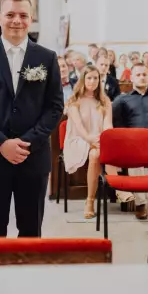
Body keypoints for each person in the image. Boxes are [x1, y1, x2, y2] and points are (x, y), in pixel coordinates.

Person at [0, 0, 63, 237]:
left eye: (22, 15)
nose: (16, 20)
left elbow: (54, 107)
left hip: (33, 157)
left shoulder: (46, 58)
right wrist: (1, 143)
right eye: (10, 14)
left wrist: (27, 142)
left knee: (31, 231)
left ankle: (27, 276)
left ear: (30, 19)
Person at [112, 62, 148, 219]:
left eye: (144, 74)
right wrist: (129, 138)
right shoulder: (122, 100)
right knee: (135, 157)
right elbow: (118, 126)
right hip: (134, 142)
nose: (141, 77)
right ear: (131, 78)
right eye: (138, 74)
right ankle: (141, 204)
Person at [62, 66, 113, 219]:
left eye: (95, 78)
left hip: (97, 140)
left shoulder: (105, 101)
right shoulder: (74, 101)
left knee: (95, 154)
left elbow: (107, 125)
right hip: (78, 139)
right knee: (96, 152)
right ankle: (94, 199)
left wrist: (104, 138)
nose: (92, 81)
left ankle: (90, 200)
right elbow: (80, 129)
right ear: (83, 79)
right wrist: (94, 140)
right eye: (89, 78)